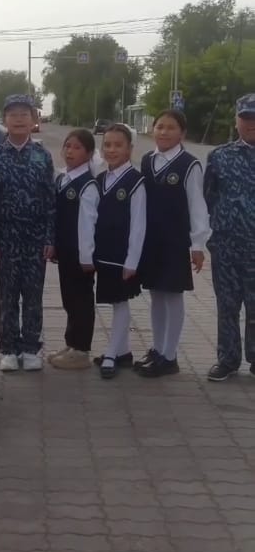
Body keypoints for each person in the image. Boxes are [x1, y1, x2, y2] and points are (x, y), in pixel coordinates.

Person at [135, 109, 210, 377]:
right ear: (152, 130)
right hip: (151, 240)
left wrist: (198, 244)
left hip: (175, 241)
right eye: (160, 127)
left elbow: (197, 205)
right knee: (156, 294)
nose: (164, 132)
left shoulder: (189, 164)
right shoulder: (147, 160)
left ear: (182, 133)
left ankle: (170, 356)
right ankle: (158, 349)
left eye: (171, 127)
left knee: (173, 294)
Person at [0, 93, 56, 371]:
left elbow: (50, 200)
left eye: (24, 114)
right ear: (4, 119)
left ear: (33, 120)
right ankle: (8, 349)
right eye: (13, 114)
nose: (18, 119)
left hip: (36, 237)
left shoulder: (42, 156)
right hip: (7, 238)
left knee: (33, 296)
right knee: (8, 296)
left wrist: (50, 237)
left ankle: (30, 348)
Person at [203, 93, 255, 381]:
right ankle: (228, 359)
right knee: (227, 304)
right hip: (226, 246)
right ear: (237, 121)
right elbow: (208, 197)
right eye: (246, 117)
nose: (251, 123)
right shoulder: (219, 156)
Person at [93, 124, 146, 379]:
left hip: (122, 255)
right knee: (114, 300)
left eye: (118, 145)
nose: (112, 150)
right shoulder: (100, 180)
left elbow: (139, 224)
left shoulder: (136, 181)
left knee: (120, 301)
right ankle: (123, 352)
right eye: (107, 145)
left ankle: (112, 354)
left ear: (129, 149)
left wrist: (132, 260)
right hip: (104, 252)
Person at [49, 128, 99, 370]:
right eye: (67, 146)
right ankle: (71, 343)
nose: (70, 151)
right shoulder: (62, 179)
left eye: (77, 147)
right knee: (69, 298)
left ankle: (81, 350)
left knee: (81, 300)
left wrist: (87, 256)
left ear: (89, 154)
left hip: (81, 255)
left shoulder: (87, 185)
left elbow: (88, 222)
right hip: (66, 251)